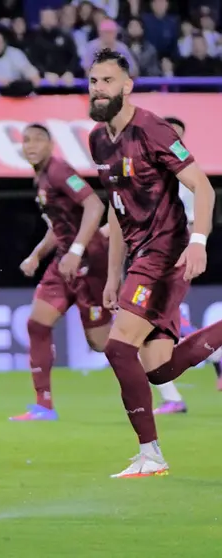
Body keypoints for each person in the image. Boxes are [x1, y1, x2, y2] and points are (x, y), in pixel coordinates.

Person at [87, 48, 222, 478]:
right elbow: (115, 207)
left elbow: (202, 187)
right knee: (159, 369)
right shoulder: (97, 140)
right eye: (92, 81)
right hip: (138, 258)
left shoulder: (152, 129)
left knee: (117, 346)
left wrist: (198, 240)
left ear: (127, 86)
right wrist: (112, 275)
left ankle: (151, 455)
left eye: (107, 81)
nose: (98, 89)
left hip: (164, 254)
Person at [11, 124, 112, 421]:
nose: (30, 145)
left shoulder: (58, 171)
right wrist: (36, 255)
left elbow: (95, 205)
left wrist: (78, 250)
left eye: (38, 140)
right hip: (63, 262)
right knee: (37, 324)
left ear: (51, 144)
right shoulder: (40, 177)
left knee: (102, 344)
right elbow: (60, 226)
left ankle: (156, 352)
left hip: (90, 262)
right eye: (26, 140)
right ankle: (44, 405)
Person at [151, 116, 222, 414]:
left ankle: (174, 398)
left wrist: (193, 244)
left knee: (150, 325)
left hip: (173, 257)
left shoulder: (186, 181)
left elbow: (197, 218)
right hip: (150, 257)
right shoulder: (150, 176)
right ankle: (214, 357)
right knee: (158, 325)